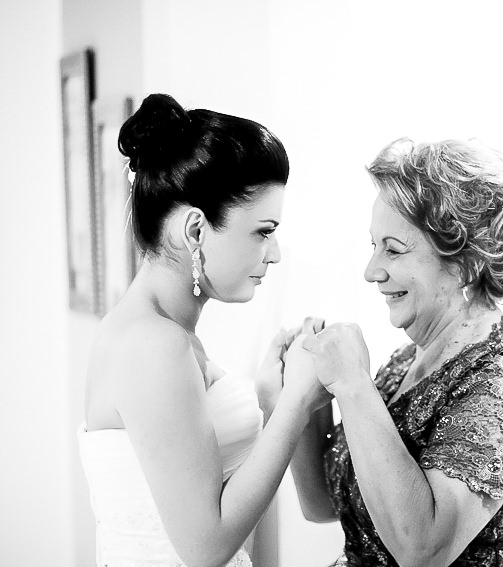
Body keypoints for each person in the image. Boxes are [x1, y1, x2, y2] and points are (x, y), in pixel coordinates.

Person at [78, 93, 326, 567]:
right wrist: (296, 403)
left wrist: (272, 401)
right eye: (263, 231)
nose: (274, 253)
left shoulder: (163, 333)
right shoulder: (153, 344)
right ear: (195, 230)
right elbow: (206, 547)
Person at [287, 138, 503, 566]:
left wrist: (353, 384)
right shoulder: (403, 362)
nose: (371, 271)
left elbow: (423, 550)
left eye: (393, 250)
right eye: (373, 246)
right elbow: (322, 504)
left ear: (466, 263)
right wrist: (294, 398)